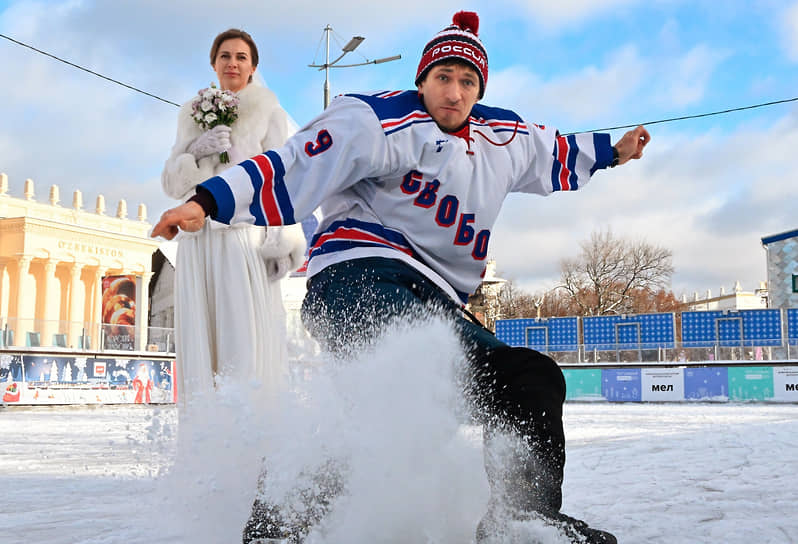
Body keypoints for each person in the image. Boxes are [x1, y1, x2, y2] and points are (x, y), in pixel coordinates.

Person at [152, 11, 650, 544]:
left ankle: (520, 517)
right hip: (356, 277)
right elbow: (293, 164)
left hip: (434, 300)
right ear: (422, 80)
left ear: (479, 90)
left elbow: (557, 152)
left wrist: (614, 153)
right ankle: (279, 525)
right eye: (443, 78)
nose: (454, 94)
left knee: (530, 380)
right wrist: (208, 200)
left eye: (467, 82)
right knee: (395, 383)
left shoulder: (505, 138)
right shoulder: (375, 121)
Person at [160, 29, 306, 402]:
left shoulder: (268, 112)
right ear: (213, 64)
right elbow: (172, 183)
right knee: (201, 342)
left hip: (243, 237)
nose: (232, 63)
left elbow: (280, 181)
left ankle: (252, 439)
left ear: (253, 67)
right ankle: (204, 439)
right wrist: (193, 152)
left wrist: (282, 239)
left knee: (242, 337)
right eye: (225, 56)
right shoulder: (191, 114)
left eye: (241, 57)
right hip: (199, 239)